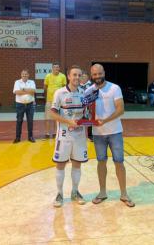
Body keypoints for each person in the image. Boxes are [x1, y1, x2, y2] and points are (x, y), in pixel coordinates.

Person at [87, 64, 135, 207]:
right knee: (101, 161)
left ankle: (124, 193)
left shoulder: (114, 88)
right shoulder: (89, 91)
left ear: (104, 73)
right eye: (94, 74)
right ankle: (102, 192)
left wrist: (105, 120)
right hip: (98, 134)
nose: (97, 77)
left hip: (114, 132)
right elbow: (86, 110)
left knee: (119, 162)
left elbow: (121, 110)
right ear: (91, 74)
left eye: (99, 73)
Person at [50, 65, 87, 207]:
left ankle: (75, 192)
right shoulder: (59, 93)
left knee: (77, 164)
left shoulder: (84, 93)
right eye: (74, 75)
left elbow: (87, 113)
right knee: (60, 165)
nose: (77, 77)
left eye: (79, 75)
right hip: (63, 136)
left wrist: (91, 120)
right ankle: (59, 194)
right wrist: (68, 121)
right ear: (68, 76)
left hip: (79, 136)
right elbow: (52, 113)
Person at [13, 69, 36, 143]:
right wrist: (28, 91)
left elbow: (34, 91)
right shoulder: (17, 82)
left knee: (30, 121)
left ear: (28, 75)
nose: (24, 75)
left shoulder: (32, 82)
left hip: (30, 104)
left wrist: (23, 89)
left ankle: (30, 137)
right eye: (23, 74)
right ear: (21, 75)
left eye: (26, 74)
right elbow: (17, 92)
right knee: (19, 121)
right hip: (20, 104)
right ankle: (17, 137)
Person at [44, 62, 66, 138]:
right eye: (54, 67)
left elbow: (64, 88)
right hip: (49, 100)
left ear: (59, 68)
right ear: (52, 68)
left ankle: (55, 133)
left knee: (57, 118)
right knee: (47, 117)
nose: (56, 68)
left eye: (57, 67)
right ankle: (47, 133)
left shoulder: (62, 76)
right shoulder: (48, 76)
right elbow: (45, 87)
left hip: (59, 102)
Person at [79, 71, 93, 142]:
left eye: (85, 77)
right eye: (82, 77)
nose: (83, 78)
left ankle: (90, 135)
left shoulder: (91, 85)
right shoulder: (78, 85)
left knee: (89, 120)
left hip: (89, 105)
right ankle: (80, 135)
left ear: (88, 78)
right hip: (80, 106)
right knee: (80, 120)